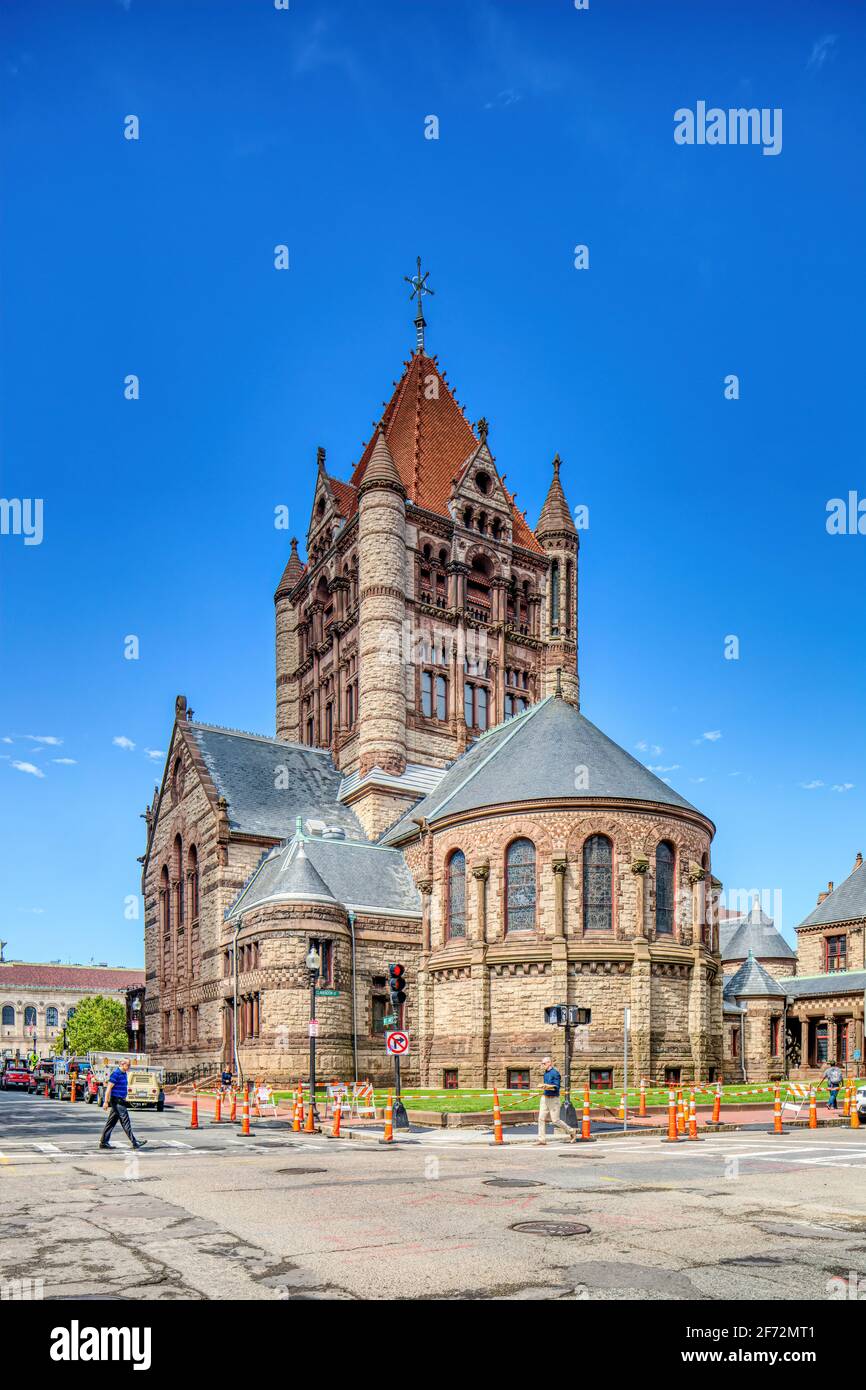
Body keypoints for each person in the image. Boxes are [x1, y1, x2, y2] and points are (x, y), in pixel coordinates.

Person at [99, 1059, 146, 1150]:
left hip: (120, 1100)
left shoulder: (124, 1073)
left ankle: (103, 1142)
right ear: (122, 1064)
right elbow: (108, 1089)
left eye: (130, 1065)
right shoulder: (116, 1074)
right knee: (125, 1121)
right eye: (128, 1065)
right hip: (117, 1101)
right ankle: (134, 1142)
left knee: (111, 1122)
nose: (129, 1066)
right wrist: (105, 1102)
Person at [534, 1055, 577, 1145]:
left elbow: (556, 1087)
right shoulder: (545, 1073)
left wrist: (547, 1086)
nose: (543, 1065)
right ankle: (542, 1140)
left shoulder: (555, 1073)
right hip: (545, 1098)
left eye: (544, 1063)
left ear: (549, 1063)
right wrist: (544, 1086)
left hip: (553, 1099)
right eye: (542, 1063)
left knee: (555, 1120)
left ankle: (572, 1131)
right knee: (541, 1119)